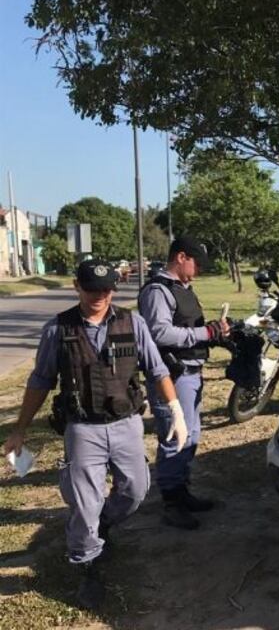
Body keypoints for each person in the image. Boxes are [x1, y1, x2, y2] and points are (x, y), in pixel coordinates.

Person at [2, 259, 186, 610]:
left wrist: (176, 410)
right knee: (85, 505)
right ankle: (88, 563)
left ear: (113, 289)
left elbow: (157, 369)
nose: (99, 295)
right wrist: (19, 430)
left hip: (126, 424)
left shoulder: (133, 323)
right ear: (77, 287)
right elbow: (40, 381)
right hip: (83, 428)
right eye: (91, 288)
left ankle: (102, 524)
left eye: (105, 289)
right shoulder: (58, 329)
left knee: (135, 491)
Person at [138, 237, 229, 530]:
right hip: (172, 376)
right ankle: (171, 502)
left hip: (190, 372)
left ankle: (182, 491)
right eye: (196, 263)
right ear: (181, 257)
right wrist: (205, 333)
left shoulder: (183, 289)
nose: (198, 270)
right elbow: (160, 333)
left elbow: (186, 326)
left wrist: (216, 332)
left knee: (190, 435)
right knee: (174, 436)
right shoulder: (157, 291)